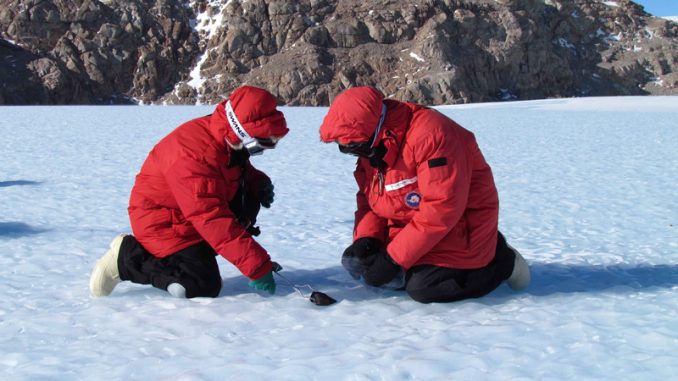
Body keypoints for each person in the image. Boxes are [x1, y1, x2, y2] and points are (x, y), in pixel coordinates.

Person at [319, 86, 530, 303]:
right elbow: (369, 199)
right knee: (368, 267)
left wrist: (393, 259)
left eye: (354, 146)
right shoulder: (373, 145)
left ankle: (502, 261)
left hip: (464, 227)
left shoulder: (433, 136)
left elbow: (442, 208)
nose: (353, 152)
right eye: (344, 148)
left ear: (373, 129)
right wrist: (367, 238)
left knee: (425, 287)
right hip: (418, 228)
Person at [89, 86, 288, 298]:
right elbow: (212, 219)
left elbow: (232, 169)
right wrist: (256, 267)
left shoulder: (224, 138)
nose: (264, 151)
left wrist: (257, 183)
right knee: (202, 284)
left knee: (248, 198)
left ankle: (196, 258)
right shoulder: (193, 157)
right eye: (262, 145)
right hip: (162, 223)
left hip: (187, 216)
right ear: (242, 134)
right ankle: (126, 260)